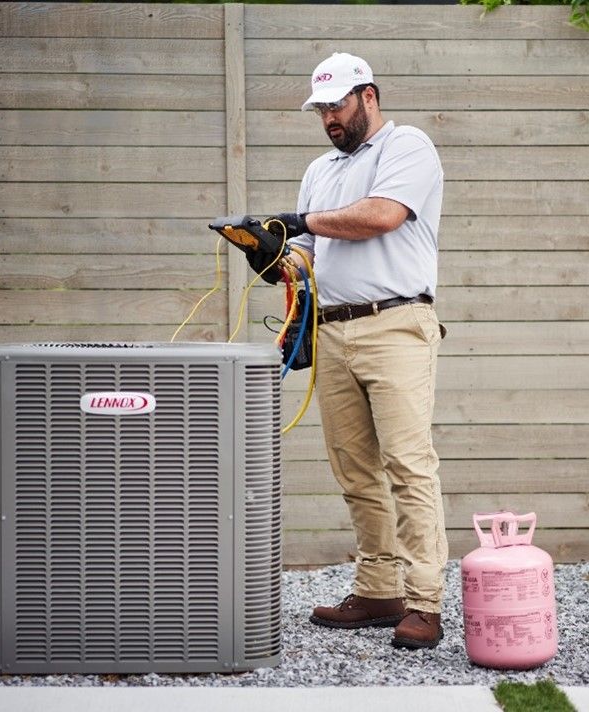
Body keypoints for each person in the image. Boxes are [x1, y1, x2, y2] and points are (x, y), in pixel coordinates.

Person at [256, 52, 447, 650]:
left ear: (369, 95)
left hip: (396, 324)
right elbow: (309, 251)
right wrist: (271, 255)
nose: (328, 119)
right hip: (334, 330)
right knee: (355, 471)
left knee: (409, 467)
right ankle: (378, 589)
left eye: (336, 105)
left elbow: (382, 216)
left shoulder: (407, 146)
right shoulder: (319, 170)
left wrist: (300, 220)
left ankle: (425, 603)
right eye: (320, 110)